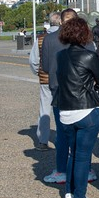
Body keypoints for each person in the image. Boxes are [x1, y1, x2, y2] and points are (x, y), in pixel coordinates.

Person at [53, 17, 99, 198]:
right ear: (85, 34)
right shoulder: (89, 56)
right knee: (83, 156)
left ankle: (69, 193)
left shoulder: (60, 56)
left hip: (65, 111)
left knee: (72, 154)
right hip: (85, 111)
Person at [31, 11, 62, 151]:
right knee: (63, 109)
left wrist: (39, 72)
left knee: (44, 109)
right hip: (62, 78)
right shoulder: (64, 37)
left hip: (45, 78)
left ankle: (43, 140)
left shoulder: (41, 38)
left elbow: (33, 60)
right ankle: (63, 139)